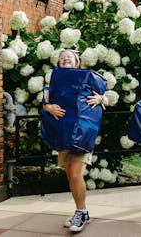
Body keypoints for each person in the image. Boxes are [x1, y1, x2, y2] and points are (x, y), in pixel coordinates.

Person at [42, 49, 108, 232]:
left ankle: (81, 211)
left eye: (68, 57)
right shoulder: (55, 79)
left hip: (82, 135)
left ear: (77, 63)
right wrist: (49, 108)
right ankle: (81, 212)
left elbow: (107, 99)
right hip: (62, 134)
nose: (64, 59)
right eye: (61, 58)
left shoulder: (86, 78)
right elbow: (44, 101)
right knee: (71, 176)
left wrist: (101, 98)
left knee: (76, 174)